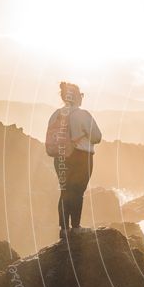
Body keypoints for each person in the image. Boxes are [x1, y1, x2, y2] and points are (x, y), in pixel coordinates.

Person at [46, 82, 102, 239]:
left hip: (60, 157)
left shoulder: (55, 115)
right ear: (76, 97)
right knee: (77, 192)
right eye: (81, 95)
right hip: (81, 157)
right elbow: (97, 137)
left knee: (65, 191)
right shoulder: (83, 115)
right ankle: (76, 228)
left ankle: (64, 229)